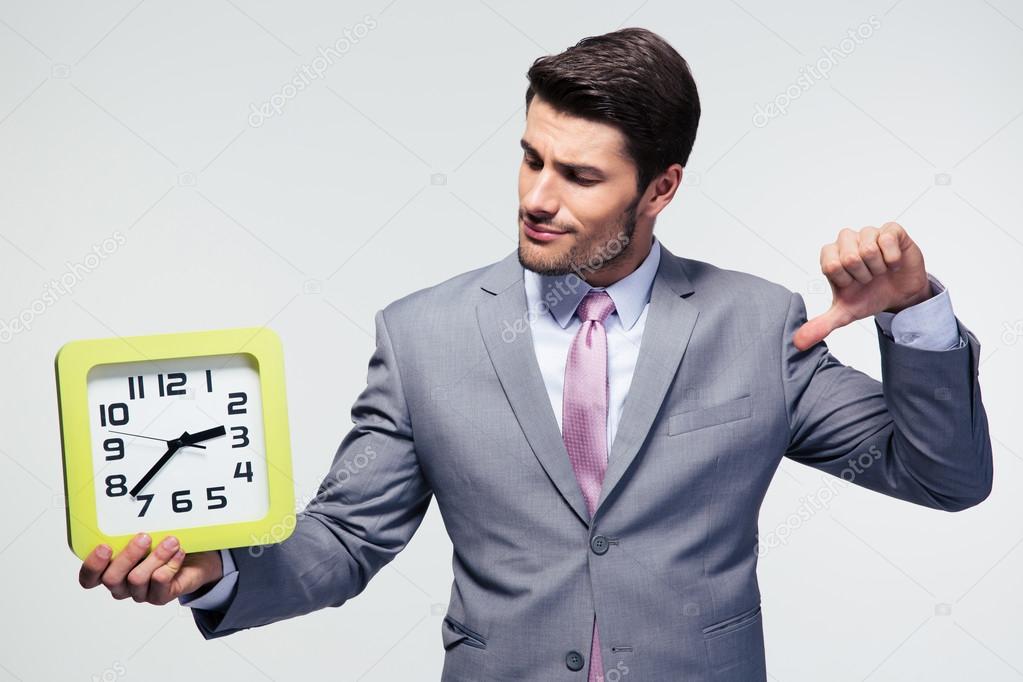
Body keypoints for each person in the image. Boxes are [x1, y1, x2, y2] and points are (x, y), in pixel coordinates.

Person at [78, 27, 992, 680]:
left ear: (660, 189)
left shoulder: (756, 324)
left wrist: (909, 314)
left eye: (580, 176)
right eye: (529, 158)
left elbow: (941, 476)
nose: (537, 198)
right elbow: (346, 540)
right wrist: (221, 570)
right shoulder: (422, 335)